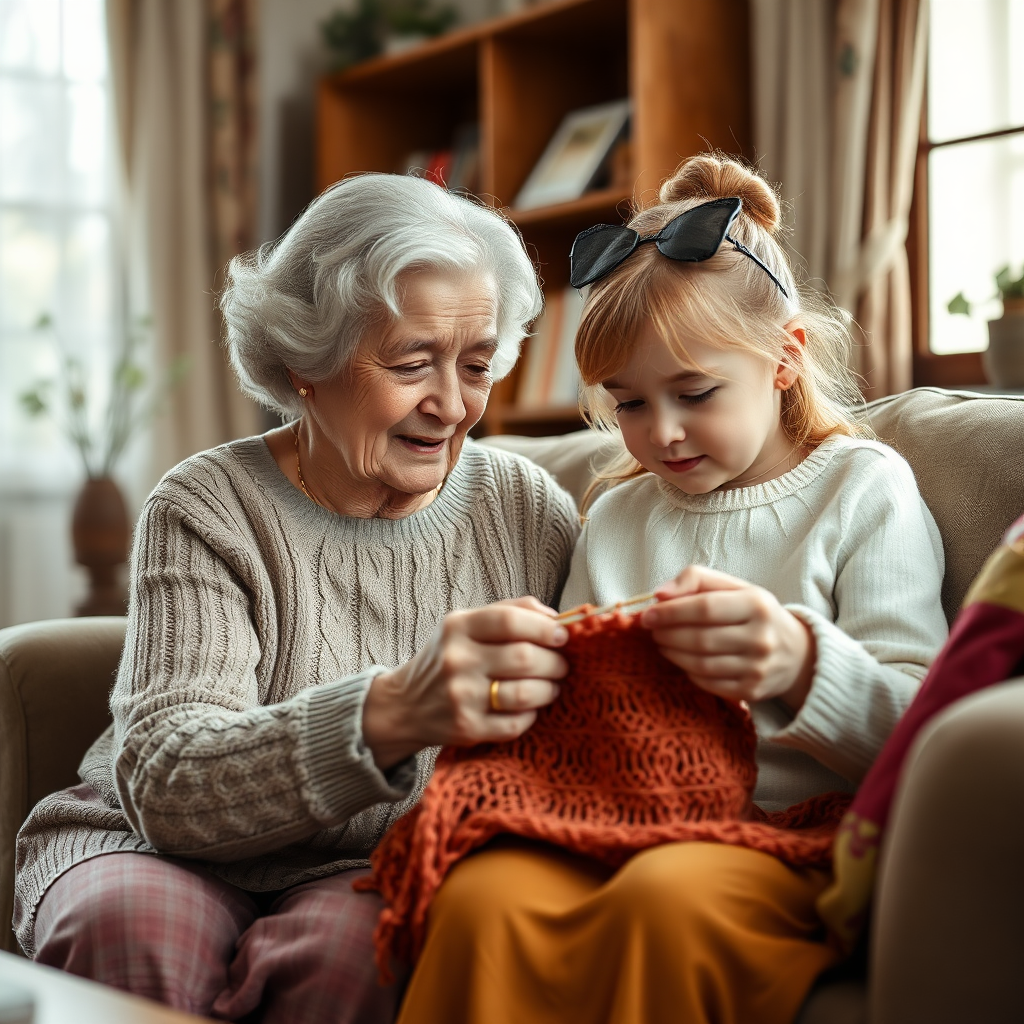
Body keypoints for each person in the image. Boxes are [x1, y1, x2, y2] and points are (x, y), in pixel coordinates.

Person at [393, 154, 950, 1024]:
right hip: (622, 811)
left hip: (793, 833)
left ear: (785, 360)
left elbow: (926, 733)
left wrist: (803, 664)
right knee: (481, 893)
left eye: (694, 393)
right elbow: (575, 709)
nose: (664, 433)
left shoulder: (861, 488)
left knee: (667, 895)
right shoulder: (617, 515)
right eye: (630, 405)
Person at [13, 173, 580, 1023]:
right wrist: (393, 711)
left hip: (376, 861)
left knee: (356, 961)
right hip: (153, 844)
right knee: (134, 933)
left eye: (476, 365)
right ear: (304, 362)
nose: (454, 406)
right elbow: (165, 781)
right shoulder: (209, 505)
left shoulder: (529, 512)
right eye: (411, 363)